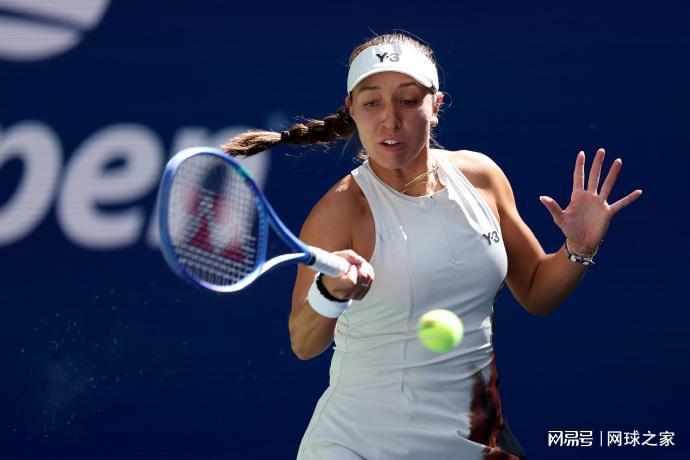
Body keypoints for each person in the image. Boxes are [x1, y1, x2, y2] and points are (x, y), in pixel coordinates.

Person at [222, 33, 641, 460]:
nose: (390, 120)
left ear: (436, 106)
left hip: (477, 441)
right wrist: (331, 293)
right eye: (372, 103)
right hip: (360, 446)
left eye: (407, 100)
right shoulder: (341, 212)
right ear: (352, 109)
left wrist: (577, 248)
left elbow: (536, 291)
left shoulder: (481, 177)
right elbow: (303, 342)